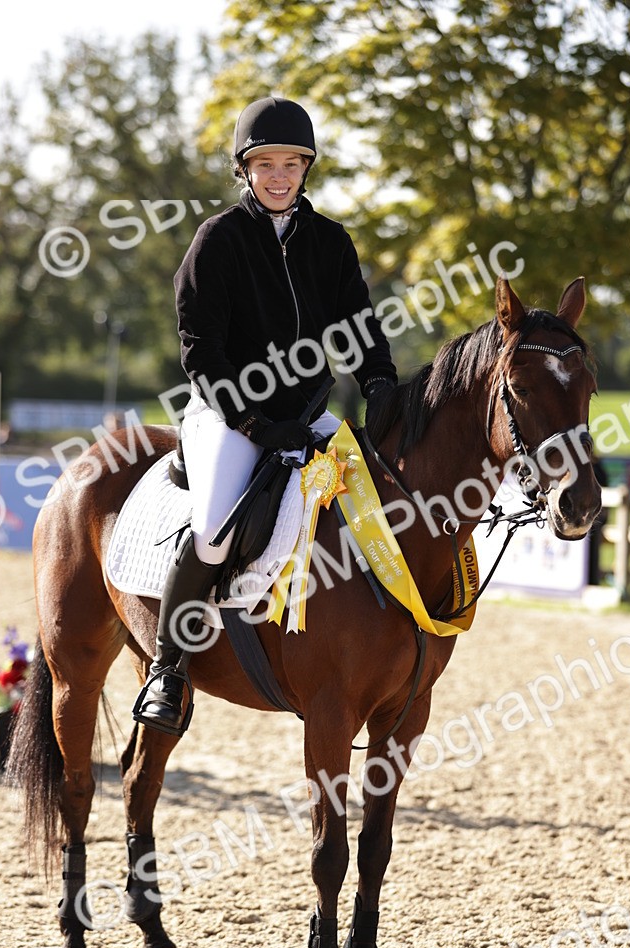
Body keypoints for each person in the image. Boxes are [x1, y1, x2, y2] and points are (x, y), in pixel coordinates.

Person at [134, 96, 398, 736]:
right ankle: (169, 667)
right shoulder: (218, 240)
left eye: (291, 163)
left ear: (306, 169)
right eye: (265, 164)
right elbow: (201, 349)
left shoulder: (331, 242)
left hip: (308, 416)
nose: (279, 176)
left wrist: (381, 383)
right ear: (245, 169)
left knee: (377, 503)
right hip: (227, 417)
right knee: (217, 530)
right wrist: (253, 423)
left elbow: (358, 325)